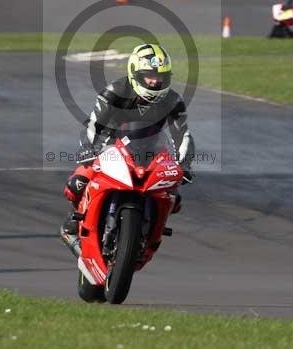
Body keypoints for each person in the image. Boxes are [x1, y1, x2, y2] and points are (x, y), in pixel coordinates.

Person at [60, 43, 195, 252]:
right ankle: (72, 224)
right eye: (149, 75)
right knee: (77, 183)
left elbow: (182, 135)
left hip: (153, 150)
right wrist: (88, 148)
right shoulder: (114, 91)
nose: (155, 81)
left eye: (161, 76)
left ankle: (150, 234)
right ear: (135, 73)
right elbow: (94, 124)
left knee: (173, 197)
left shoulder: (173, 100)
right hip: (111, 146)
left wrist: (184, 165)